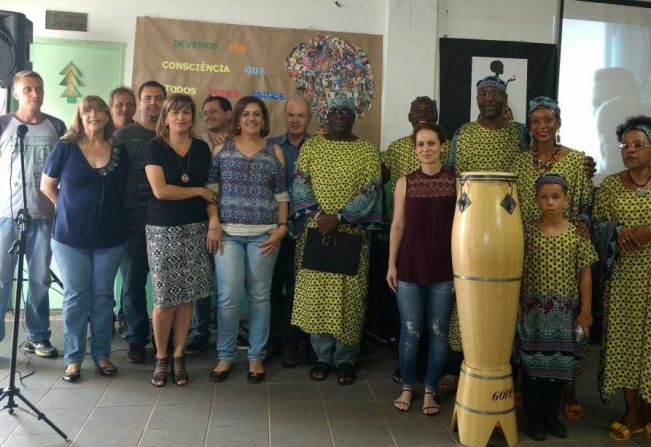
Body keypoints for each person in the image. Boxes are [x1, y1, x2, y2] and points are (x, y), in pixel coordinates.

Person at [291, 96, 383, 385]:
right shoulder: (312, 146)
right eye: (335, 112)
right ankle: (322, 356)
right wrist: (321, 218)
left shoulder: (367, 151)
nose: (340, 116)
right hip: (316, 232)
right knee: (318, 296)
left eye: (346, 112)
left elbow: (371, 188)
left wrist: (340, 219)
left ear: (354, 117)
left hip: (352, 235)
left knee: (349, 298)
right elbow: (299, 181)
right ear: (325, 117)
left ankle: (345, 358)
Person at [41, 96, 129, 382]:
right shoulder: (64, 147)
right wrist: (65, 208)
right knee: (76, 298)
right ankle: (74, 359)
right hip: (70, 238)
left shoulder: (119, 150)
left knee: (104, 298)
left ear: (107, 115)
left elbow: (123, 189)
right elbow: (47, 185)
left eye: (99, 110)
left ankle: (102, 355)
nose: (94, 115)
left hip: (111, 237)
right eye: (88, 110)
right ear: (79, 115)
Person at [207, 96, 288, 384]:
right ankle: (225, 356)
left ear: (264, 120)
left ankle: (256, 356)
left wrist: (282, 226)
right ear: (237, 119)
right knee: (228, 298)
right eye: (246, 114)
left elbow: (281, 194)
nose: (251, 119)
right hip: (227, 234)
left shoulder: (274, 151)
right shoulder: (221, 150)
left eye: (257, 114)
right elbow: (211, 192)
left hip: (265, 236)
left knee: (260, 297)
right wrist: (214, 222)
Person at [517, 174, 597, 441]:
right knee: (533, 367)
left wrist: (585, 312)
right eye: (544, 197)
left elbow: (585, 273)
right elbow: (517, 269)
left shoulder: (577, 233)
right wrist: (516, 302)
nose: (550, 203)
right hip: (533, 312)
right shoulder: (527, 231)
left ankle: (552, 416)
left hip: (564, 314)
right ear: (536, 200)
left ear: (566, 200)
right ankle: (535, 417)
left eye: (556, 197)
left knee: (560, 368)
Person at [144, 93, 214, 387]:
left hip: (195, 228)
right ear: (166, 117)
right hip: (162, 228)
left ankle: (178, 355)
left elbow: (212, 190)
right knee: (163, 299)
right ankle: (161, 357)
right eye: (176, 112)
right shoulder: (155, 148)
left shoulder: (201, 148)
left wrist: (212, 218)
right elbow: (161, 191)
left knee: (186, 297)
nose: (181, 118)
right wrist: (197, 191)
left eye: (187, 113)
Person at [386, 122, 456, 416]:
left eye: (431, 143)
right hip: (410, 266)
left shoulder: (456, 182)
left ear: (442, 146)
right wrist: (391, 263)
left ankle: (430, 388)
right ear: (415, 149)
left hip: (444, 269)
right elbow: (398, 224)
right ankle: (407, 386)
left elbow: (462, 228)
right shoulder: (405, 182)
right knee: (410, 330)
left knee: (438, 332)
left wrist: (460, 271)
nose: (425, 149)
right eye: (420, 144)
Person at [593, 116, 651, 441]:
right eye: (625, 146)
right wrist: (618, 232)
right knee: (626, 343)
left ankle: (650, 410)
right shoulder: (612, 185)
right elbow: (598, 224)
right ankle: (631, 412)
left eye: (638, 145)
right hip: (625, 282)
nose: (630, 151)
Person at [0, 71, 65, 357]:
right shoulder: (3, 123)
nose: (34, 94)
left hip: (44, 216)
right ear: (16, 93)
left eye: (39, 88)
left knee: (40, 280)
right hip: (5, 215)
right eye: (28, 89)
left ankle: (37, 336)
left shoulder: (56, 126)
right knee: (1, 280)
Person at [114, 80, 167, 363]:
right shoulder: (123, 135)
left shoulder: (171, 133)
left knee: (166, 283)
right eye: (148, 98)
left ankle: (165, 337)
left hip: (166, 221)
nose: (154, 103)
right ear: (140, 101)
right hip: (132, 222)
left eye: (159, 98)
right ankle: (136, 339)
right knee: (133, 283)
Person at [184, 94, 232, 356]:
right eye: (205, 113)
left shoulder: (240, 141)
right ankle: (200, 330)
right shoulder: (197, 143)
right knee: (202, 279)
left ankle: (227, 333)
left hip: (235, 222)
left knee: (229, 284)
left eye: (214, 111)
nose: (209, 116)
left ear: (228, 114)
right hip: (200, 219)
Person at [268, 95, 312, 367]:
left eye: (301, 116)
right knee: (271, 288)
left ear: (309, 119)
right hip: (273, 229)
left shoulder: (319, 147)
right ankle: (272, 340)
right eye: (291, 115)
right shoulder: (270, 146)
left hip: (307, 230)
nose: (295, 120)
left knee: (298, 290)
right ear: (284, 116)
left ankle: (292, 343)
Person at [512, 97, 593, 226]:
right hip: (526, 238)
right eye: (535, 121)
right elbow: (511, 201)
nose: (542, 126)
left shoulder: (576, 160)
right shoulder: (520, 162)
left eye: (548, 120)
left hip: (563, 240)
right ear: (531, 126)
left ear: (558, 123)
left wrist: (582, 224)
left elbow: (586, 203)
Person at [382, 96, 440, 190]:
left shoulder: (446, 146)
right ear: (409, 117)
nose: (423, 114)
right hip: (403, 204)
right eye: (417, 110)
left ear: (436, 117)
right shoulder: (396, 147)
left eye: (429, 111)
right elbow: (379, 181)